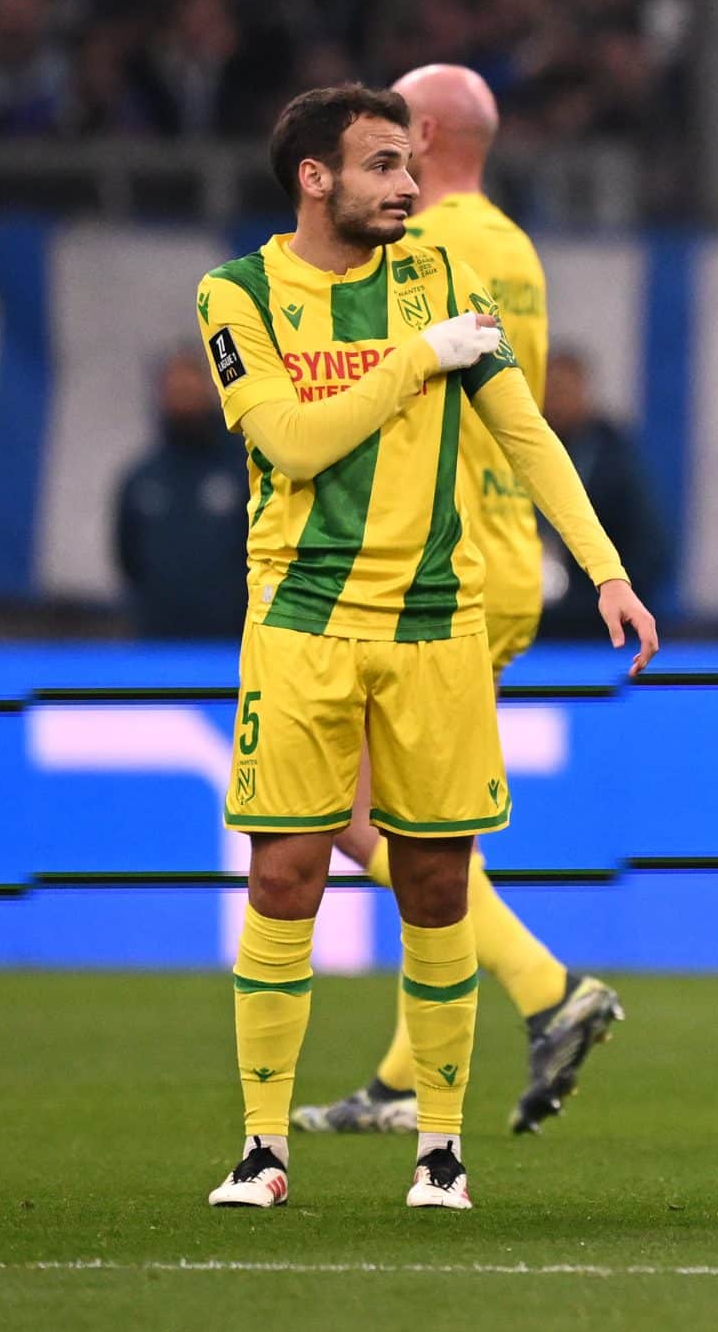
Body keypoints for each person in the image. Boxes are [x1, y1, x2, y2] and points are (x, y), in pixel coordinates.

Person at [200, 82, 657, 1213]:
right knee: (286, 873)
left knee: (438, 882)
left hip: (436, 623)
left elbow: (525, 429)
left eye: (412, 164)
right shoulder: (238, 294)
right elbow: (294, 445)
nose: (409, 185)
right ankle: (262, 1150)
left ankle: (439, 1155)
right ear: (316, 178)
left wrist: (604, 568)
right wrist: (411, 362)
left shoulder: (446, 276)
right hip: (302, 623)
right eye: (383, 166)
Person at [292, 63, 627, 1141]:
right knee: (425, 821)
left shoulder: (427, 251)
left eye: (394, 132)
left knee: (351, 813)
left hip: (441, 566)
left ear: (427, 133)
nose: (382, 147)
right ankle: (401, 1082)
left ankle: (548, 988)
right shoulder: (512, 247)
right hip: (507, 551)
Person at [115, 347, 252, 637]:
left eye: (191, 390)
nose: (184, 400)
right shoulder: (141, 478)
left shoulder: (244, 470)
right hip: (158, 641)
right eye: (176, 391)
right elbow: (127, 557)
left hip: (233, 640)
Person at [534, 348, 671, 635]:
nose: (556, 400)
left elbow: (651, 548)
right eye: (547, 388)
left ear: (584, 391)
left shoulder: (615, 458)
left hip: (598, 627)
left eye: (564, 389)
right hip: (526, 622)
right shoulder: (511, 454)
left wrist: (606, 595)